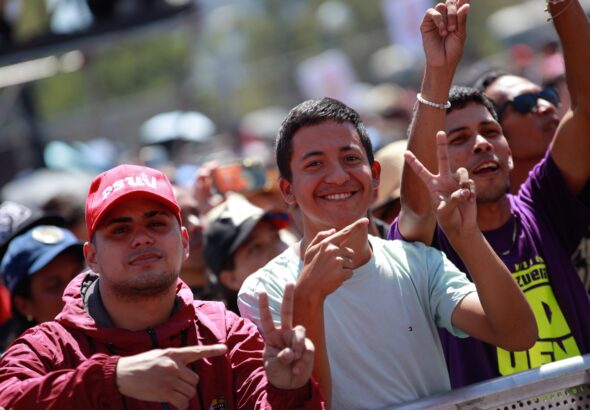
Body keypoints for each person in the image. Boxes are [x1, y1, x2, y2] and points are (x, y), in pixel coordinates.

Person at [238, 96, 536, 408]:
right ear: (288, 190)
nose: (338, 176)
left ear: (375, 174)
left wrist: (467, 236)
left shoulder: (417, 262)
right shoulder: (264, 291)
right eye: (315, 164)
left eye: (351, 159)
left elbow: (518, 335)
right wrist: (309, 298)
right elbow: (310, 402)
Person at [0, 164, 324, 409]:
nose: (141, 237)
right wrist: (111, 378)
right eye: (120, 230)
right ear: (92, 257)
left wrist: (289, 389)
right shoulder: (48, 349)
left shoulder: (225, 332)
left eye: (156, 223)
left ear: (184, 242)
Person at [392, 0, 590, 388]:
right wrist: (438, 73)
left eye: (491, 131)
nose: (482, 144)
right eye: (460, 139)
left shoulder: (541, 206)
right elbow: (416, 204)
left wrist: (565, 6)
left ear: (509, 149)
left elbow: (585, 109)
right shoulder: (433, 246)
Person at [0, 225, 85, 353]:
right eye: (54, 285)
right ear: (24, 306)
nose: (75, 288)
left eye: (77, 274)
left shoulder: (119, 329)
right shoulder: (21, 367)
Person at [203, 193, 290, 314]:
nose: (280, 250)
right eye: (256, 248)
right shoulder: (227, 332)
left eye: (276, 236)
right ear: (230, 279)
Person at [173, 185, 222, 301]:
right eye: (180, 219)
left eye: (196, 213)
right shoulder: (162, 313)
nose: (196, 224)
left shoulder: (240, 287)